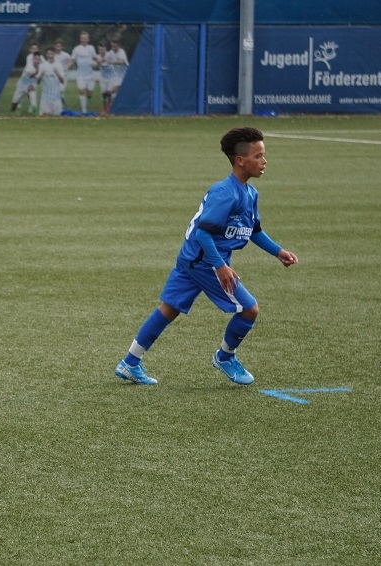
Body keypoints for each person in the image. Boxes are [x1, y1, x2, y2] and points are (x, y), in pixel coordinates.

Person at [115, 127, 298, 387]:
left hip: (192, 258)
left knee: (169, 309)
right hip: (205, 262)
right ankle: (225, 357)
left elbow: (254, 231)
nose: (264, 161)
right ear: (240, 160)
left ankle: (130, 362)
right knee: (249, 309)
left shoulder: (250, 193)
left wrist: (278, 251)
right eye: (258, 156)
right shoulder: (225, 193)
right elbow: (203, 233)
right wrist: (220, 266)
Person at [70, 31, 98, 114]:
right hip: (80, 75)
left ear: (88, 39)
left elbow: (95, 58)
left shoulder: (91, 48)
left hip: (90, 75)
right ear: (80, 39)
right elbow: (72, 60)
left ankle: (88, 97)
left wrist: (97, 63)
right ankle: (84, 110)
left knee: (89, 94)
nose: (84, 40)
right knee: (82, 92)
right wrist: (67, 67)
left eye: (85, 38)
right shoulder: (76, 49)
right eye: (82, 38)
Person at [9, 45, 40, 115]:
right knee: (15, 102)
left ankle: (34, 112)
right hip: (22, 85)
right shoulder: (29, 65)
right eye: (36, 59)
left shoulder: (40, 64)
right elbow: (30, 75)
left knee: (33, 98)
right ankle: (14, 108)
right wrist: (38, 71)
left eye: (38, 59)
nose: (37, 61)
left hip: (31, 85)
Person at [38, 47, 66, 116]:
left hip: (56, 97)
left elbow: (62, 81)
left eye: (52, 54)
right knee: (43, 116)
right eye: (48, 54)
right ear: (46, 54)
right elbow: (38, 82)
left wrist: (57, 73)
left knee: (57, 116)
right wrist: (41, 75)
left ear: (54, 54)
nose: (50, 56)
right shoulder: (42, 66)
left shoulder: (59, 65)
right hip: (45, 97)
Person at [105, 39, 129, 109]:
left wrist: (110, 62)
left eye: (114, 46)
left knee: (114, 90)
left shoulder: (121, 52)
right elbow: (105, 58)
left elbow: (121, 62)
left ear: (118, 46)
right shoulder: (111, 52)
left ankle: (113, 107)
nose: (113, 48)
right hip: (116, 75)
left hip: (124, 75)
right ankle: (109, 107)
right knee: (108, 91)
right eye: (112, 46)